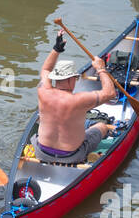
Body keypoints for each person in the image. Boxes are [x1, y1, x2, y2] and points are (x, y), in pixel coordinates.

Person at [35, 32, 116, 165]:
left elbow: (45, 69)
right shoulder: (80, 100)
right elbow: (110, 93)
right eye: (76, 78)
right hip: (72, 156)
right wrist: (101, 69)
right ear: (71, 79)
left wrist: (56, 49)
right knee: (101, 126)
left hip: (42, 153)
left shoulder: (43, 91)